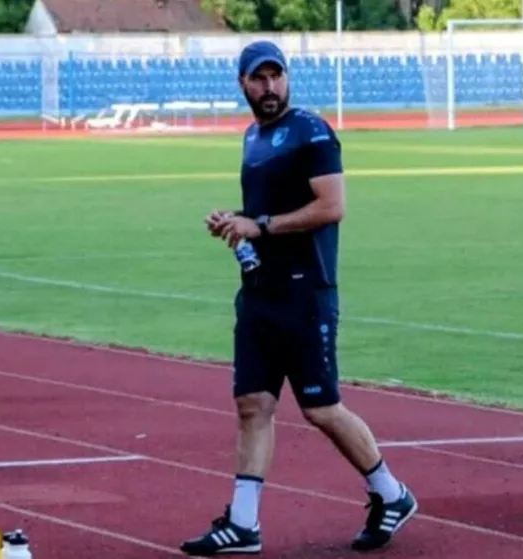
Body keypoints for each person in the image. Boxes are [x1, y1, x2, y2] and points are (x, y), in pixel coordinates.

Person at [178, 40, 418, 557]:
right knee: (253, 405)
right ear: (242, 84)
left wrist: (260, 225)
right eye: (259, 78)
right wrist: (236, 221)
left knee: (321, 408)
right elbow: (264, 211)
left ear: (287, 78)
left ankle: (391, 493)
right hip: (259, 291)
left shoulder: (313, 132)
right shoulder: (253, 138)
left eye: (276, 76)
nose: (269, 87)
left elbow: (332, 206)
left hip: (305, 291)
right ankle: (243, 524)